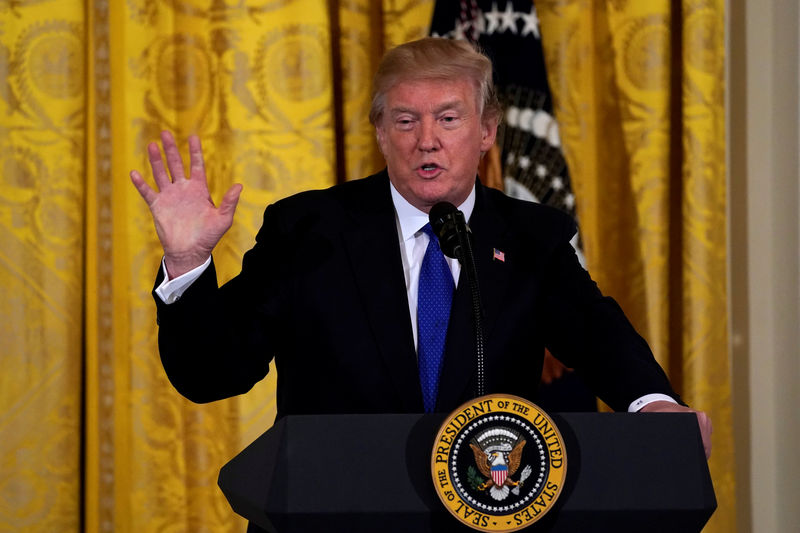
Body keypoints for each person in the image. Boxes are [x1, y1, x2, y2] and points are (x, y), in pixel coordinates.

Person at [130, 38, 711, 459]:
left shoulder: (532, 237)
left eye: (448, 118)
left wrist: (652, 403)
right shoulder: (310, 229)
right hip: (333, 516)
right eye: (405, 121)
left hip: (487, 510)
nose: (425, 140)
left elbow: (596, 331)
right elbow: (211, 374)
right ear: (381, 133)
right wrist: (186, 264)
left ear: (487, 132)